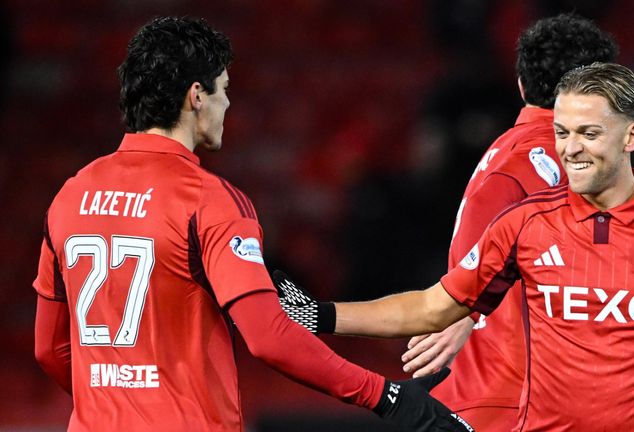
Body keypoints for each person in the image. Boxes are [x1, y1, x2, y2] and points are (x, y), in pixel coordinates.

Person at [32, 16, 473, 432]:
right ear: (197, 96)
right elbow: (268, 337)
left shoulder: (70, 195)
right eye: (223, 89)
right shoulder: (208, 200)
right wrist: (388, 396)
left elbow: (48, 350)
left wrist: (118, 405)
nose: (228, 103)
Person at [274, 63, 634, 431]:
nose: (571, 148)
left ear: (632, 136)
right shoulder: (524, 224)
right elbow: (431, 308)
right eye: (562, 132)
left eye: (589, 133)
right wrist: (320, 315)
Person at [400, 14, 617, 431]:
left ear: (521, 84)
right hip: (513, 397)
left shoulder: (534, 151)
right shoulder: (538, 161)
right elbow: (486, 233)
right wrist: (462, 311)